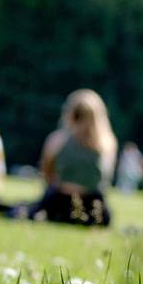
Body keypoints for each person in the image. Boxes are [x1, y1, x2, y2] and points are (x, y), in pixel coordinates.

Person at [25, 89, 117, 226]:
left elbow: (47, 175)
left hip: (59, 204)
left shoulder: (57, 139)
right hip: (93, 208)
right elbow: (105, 181)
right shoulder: (108, 143)